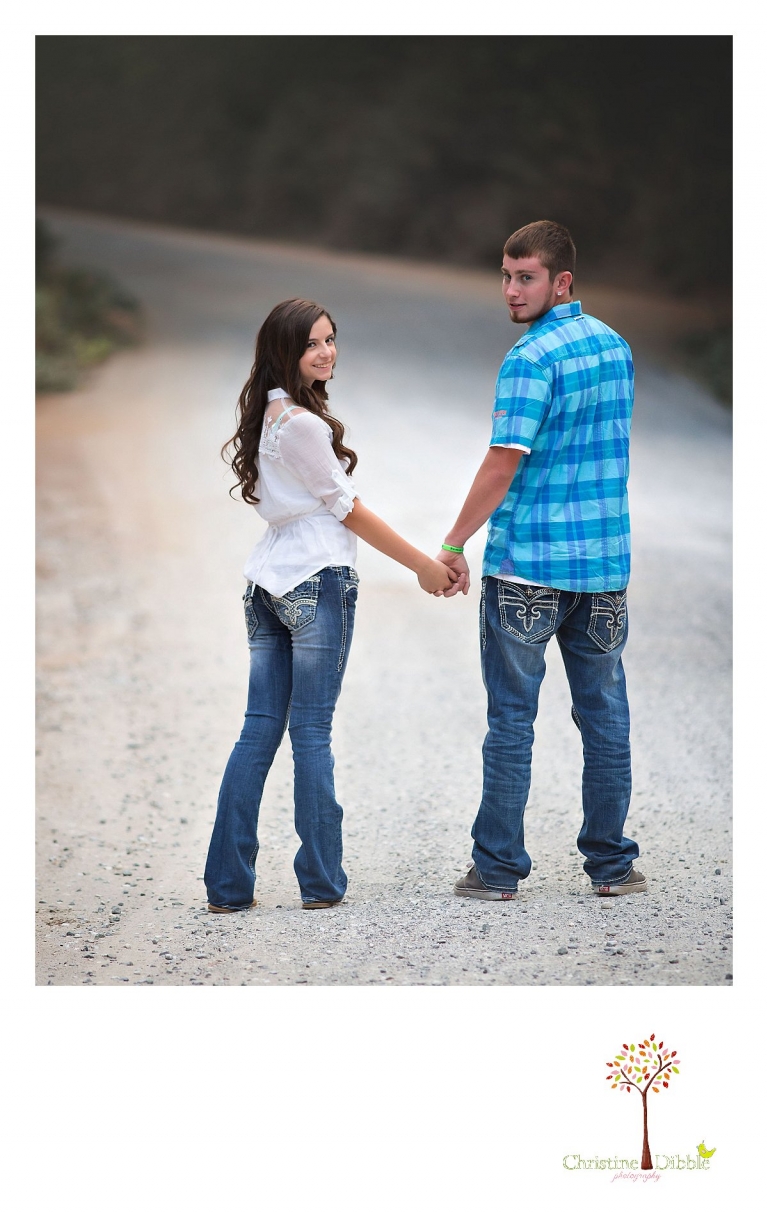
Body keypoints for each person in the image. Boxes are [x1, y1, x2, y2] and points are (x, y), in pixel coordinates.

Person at [204, 297, 459, 912]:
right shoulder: (305, 427)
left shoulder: (268, 417)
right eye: (312, 343)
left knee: (259, 729)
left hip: (267, 581)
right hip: (315, 581)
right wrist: (425, 566)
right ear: (284, 352)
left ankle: (228, 887)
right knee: (310, 733)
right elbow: (349, 511)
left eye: (331, 339)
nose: (327, 352)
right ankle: (320, 883)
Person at [435, 220, 645, 900]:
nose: (511, 289)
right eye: (505, 275)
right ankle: (612, 865)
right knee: (606, 716)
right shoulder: (616, 348)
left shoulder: (529, 359)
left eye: (525, 277)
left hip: (527, 567)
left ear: (562, 281)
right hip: (604, 568)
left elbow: (503, 461)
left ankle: (497, 869)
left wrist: (453, 541)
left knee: (512, 721)